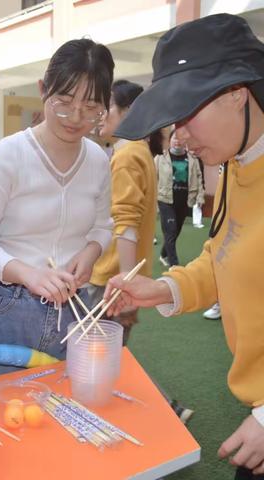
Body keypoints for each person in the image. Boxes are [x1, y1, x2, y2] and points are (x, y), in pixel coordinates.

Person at [104, 14, 264, 479]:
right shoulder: (238, 165)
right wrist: (163, 289)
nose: (178, 136)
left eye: (186, 113)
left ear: (237, 93)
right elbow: (223, 254)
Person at [0, 38, 114, 379]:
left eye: (91, 108)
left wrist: (90, 252)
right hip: (9, 307)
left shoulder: (97, 160)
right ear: (44, 89)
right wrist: (29, 274)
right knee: (0, 411)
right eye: (64, 101)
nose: (75, 117)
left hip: (75, 309)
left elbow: (104, 226)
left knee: (66, 413)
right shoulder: (9, 154)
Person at [88, 79, 162, 345]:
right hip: (122, 276)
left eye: (107, 106)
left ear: (128, 112)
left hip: (112, 279)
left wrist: (124, 284)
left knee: (97, 354)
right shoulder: (139, 151)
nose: (99, 114)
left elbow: (126, 224)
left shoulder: (128, 155)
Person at [155, 129, 205, 267]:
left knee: (175, 232)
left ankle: (164, 254)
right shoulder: (160, 158)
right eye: (174, 139)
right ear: (170, 141)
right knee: (170, 231)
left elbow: (200, 178)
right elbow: (152, 178)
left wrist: (200, 197)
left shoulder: (193, 160)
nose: (177, 141)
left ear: (185, 142)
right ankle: (174, 265)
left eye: (180, 139)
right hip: (165, 200)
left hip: (184, 200)